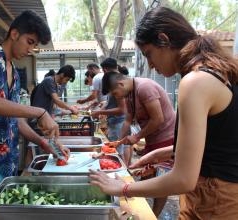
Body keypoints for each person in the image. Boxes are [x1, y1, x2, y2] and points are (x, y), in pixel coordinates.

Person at [90, 7, 238, 219]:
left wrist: (121, 188)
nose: (150, 65)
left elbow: (183, 179)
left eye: (148, 54)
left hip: (215, 201)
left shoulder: (195, 82)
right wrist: (158, 154)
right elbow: (217, 144)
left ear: (164, 40)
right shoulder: (217, 71)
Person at [0, 10, 69, 218]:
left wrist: (42, 142)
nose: (30, 49)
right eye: (29, 42)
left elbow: (17, 120)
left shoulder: (15, 74)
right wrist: (40, 112)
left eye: (34, 45)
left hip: (9, 162)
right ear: (14, 33)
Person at [100, 71, 175, 217]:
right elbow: (128, 119)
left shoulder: (144, 87)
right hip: (153, 138)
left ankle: (153, 215)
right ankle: (142, 212)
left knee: (160, 180)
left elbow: (158, 119)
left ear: (121, 84)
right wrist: (118, 142)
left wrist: (137, 136)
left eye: (115, 93)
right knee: (146, 176)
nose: (116, 97)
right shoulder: (129, 93)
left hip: (166, 138)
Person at [90, 58, 128, 163]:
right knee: (121, 149)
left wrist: (100, 112)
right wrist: (102, 108)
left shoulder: (117, 82)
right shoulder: (117, 79)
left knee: (117, 151)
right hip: (119, 122)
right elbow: (111, 102)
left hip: (118, 122)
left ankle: (121, 174)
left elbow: (122, 109)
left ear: (105, 70)